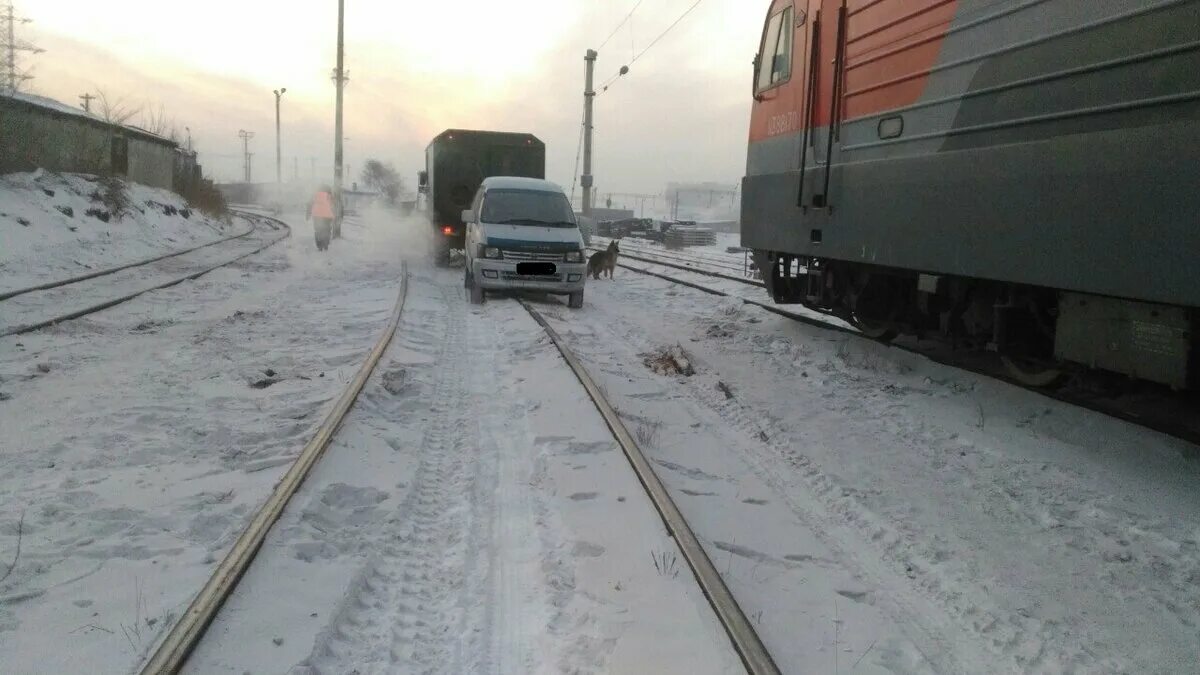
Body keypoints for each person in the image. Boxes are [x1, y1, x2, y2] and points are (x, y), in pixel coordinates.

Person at [307, 187, 335, 251]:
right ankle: (326, 244)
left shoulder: (315, 195)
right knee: (327, 230)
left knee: (318, 230)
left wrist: (308, 214)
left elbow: (310, 204)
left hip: (316, 215)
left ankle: (319, 246)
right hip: (327, 216)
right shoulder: (329, 195)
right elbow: (333, 205)